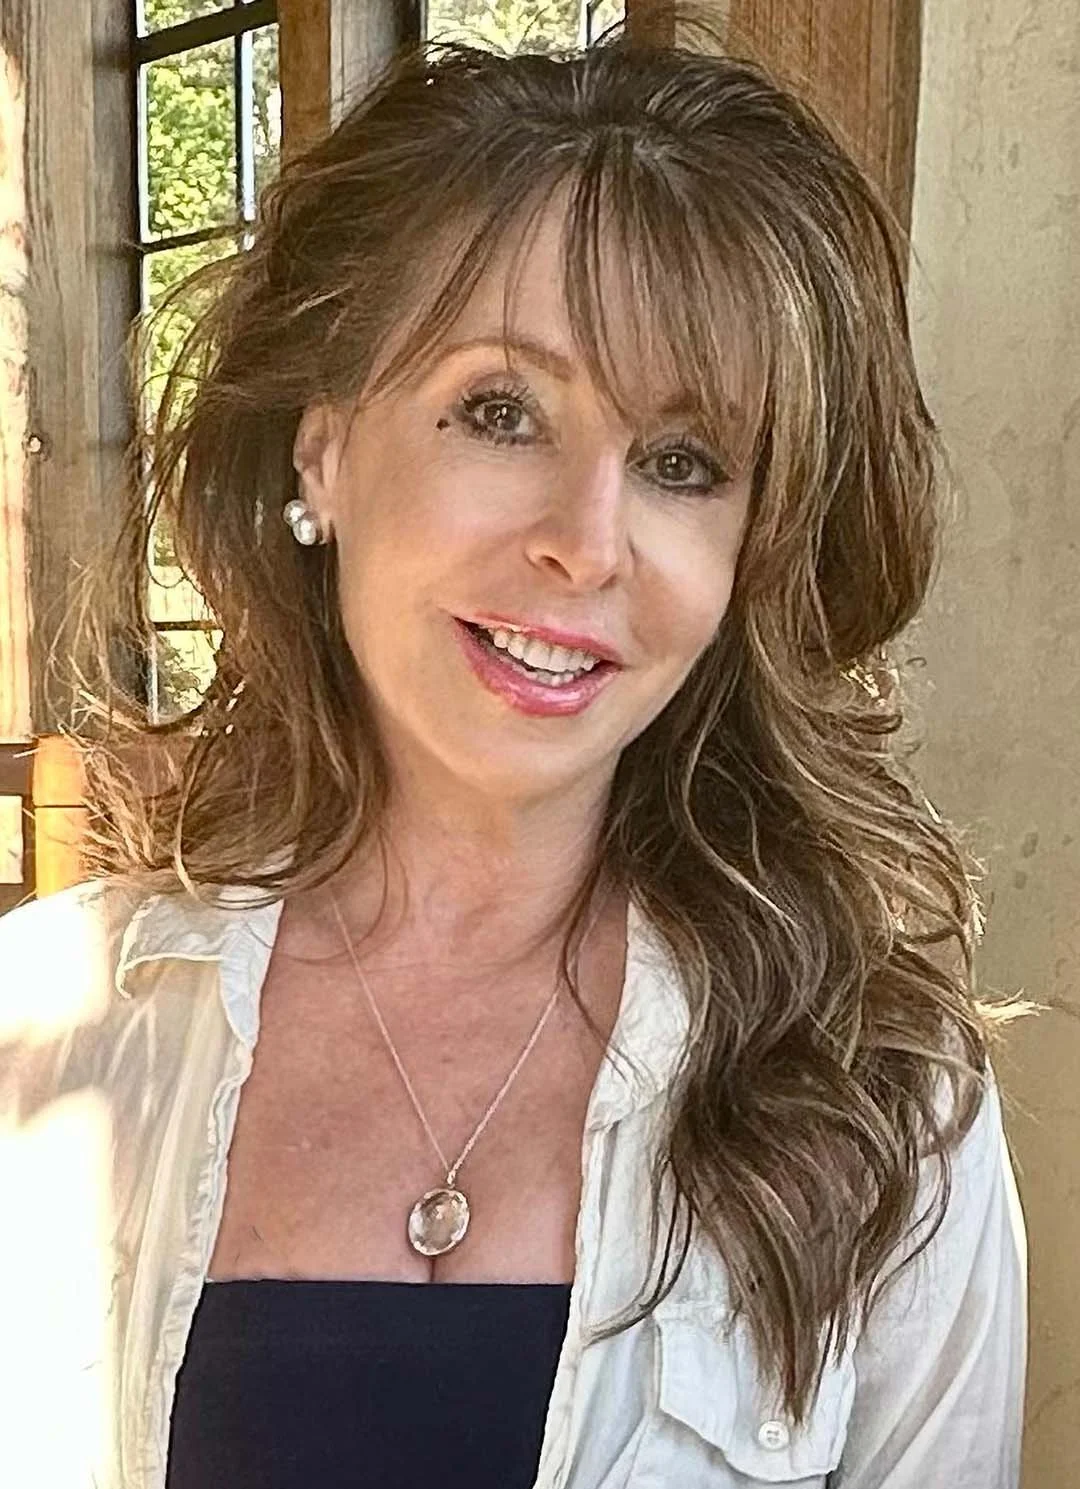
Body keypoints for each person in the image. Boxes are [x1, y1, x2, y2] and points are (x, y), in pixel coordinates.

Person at [0, 17, 1027, 1489]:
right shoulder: (46, 1026)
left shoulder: (886, 1106)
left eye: (684, 464)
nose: (586, 544)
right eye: (501, 411)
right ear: (325, 453)